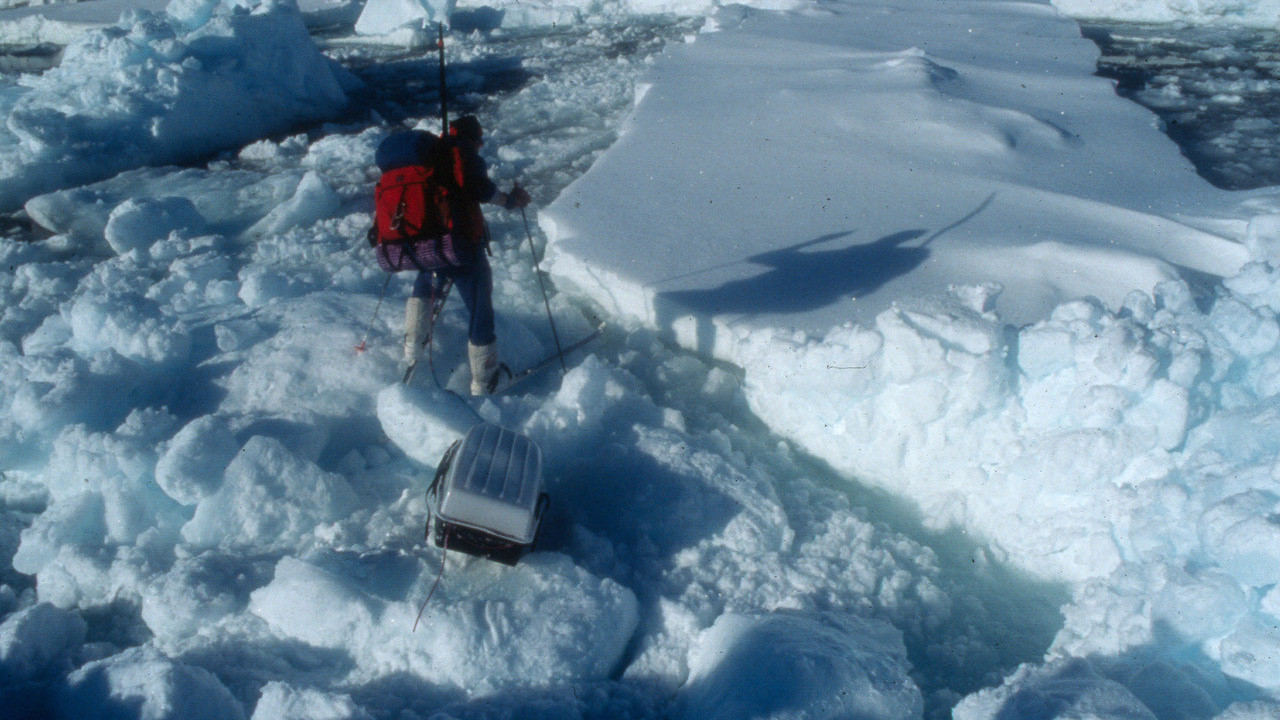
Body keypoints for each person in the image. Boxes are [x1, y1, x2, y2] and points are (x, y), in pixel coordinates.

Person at [403, 115, 531, 394]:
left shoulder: (429, 156)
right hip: (462, 244)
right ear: (473, 137)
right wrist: (510, 200)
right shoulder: (463, 154)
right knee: (479, 307)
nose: (481, 143)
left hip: (427, 241)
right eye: (480, 138)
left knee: (426, 279)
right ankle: (485, 380)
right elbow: (481, 189)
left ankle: (412, 346)